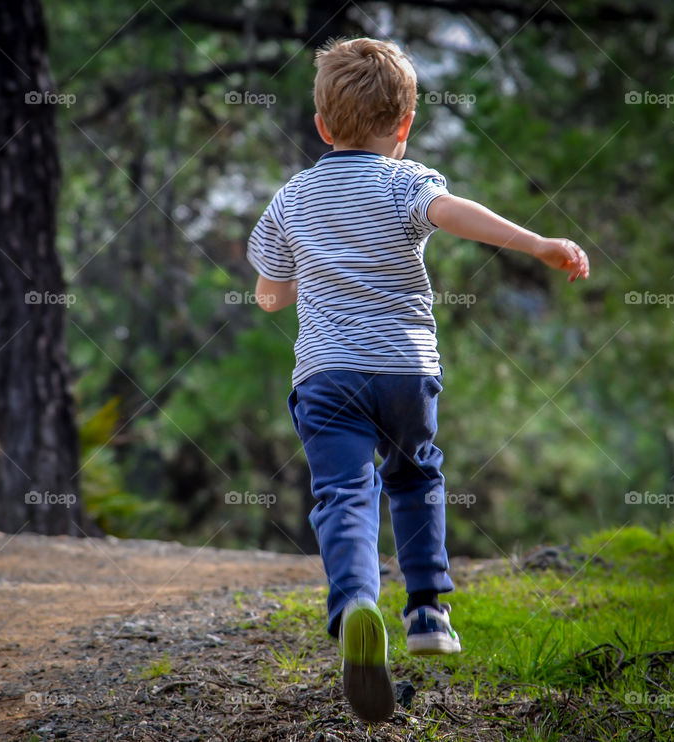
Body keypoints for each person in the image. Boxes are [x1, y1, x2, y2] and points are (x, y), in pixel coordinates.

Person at [246, 37, 589, 722]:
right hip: (404, 370)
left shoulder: (293, 196)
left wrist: (294, 284)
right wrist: (536, 243)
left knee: (344, 492)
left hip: (327, 375)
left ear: (321, 125)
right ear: (403, 128)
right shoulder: (407, 182)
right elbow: (451, 213)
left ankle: (355, 607)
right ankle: (429, 611)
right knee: (416, 475)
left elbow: (268, 293)